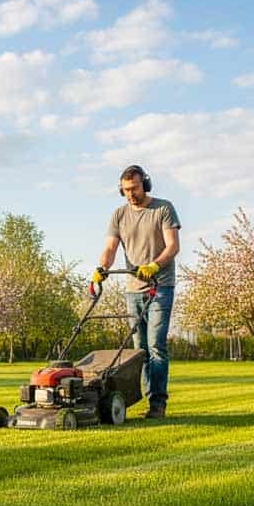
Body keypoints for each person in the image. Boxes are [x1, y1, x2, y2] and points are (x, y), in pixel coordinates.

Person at [92, 165, 180, 419]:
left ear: (145, 185)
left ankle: (157, 404)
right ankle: (137, 398)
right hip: (132, 288)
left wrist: (154, 265)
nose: (130, 194)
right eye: (126, 190)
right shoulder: (119, 215)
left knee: (155, 347)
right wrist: (101, 267)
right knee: (138, 350)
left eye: (134, 188)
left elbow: (173, 246)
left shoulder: (163, 208)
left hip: (160, 285)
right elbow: (110, 247)